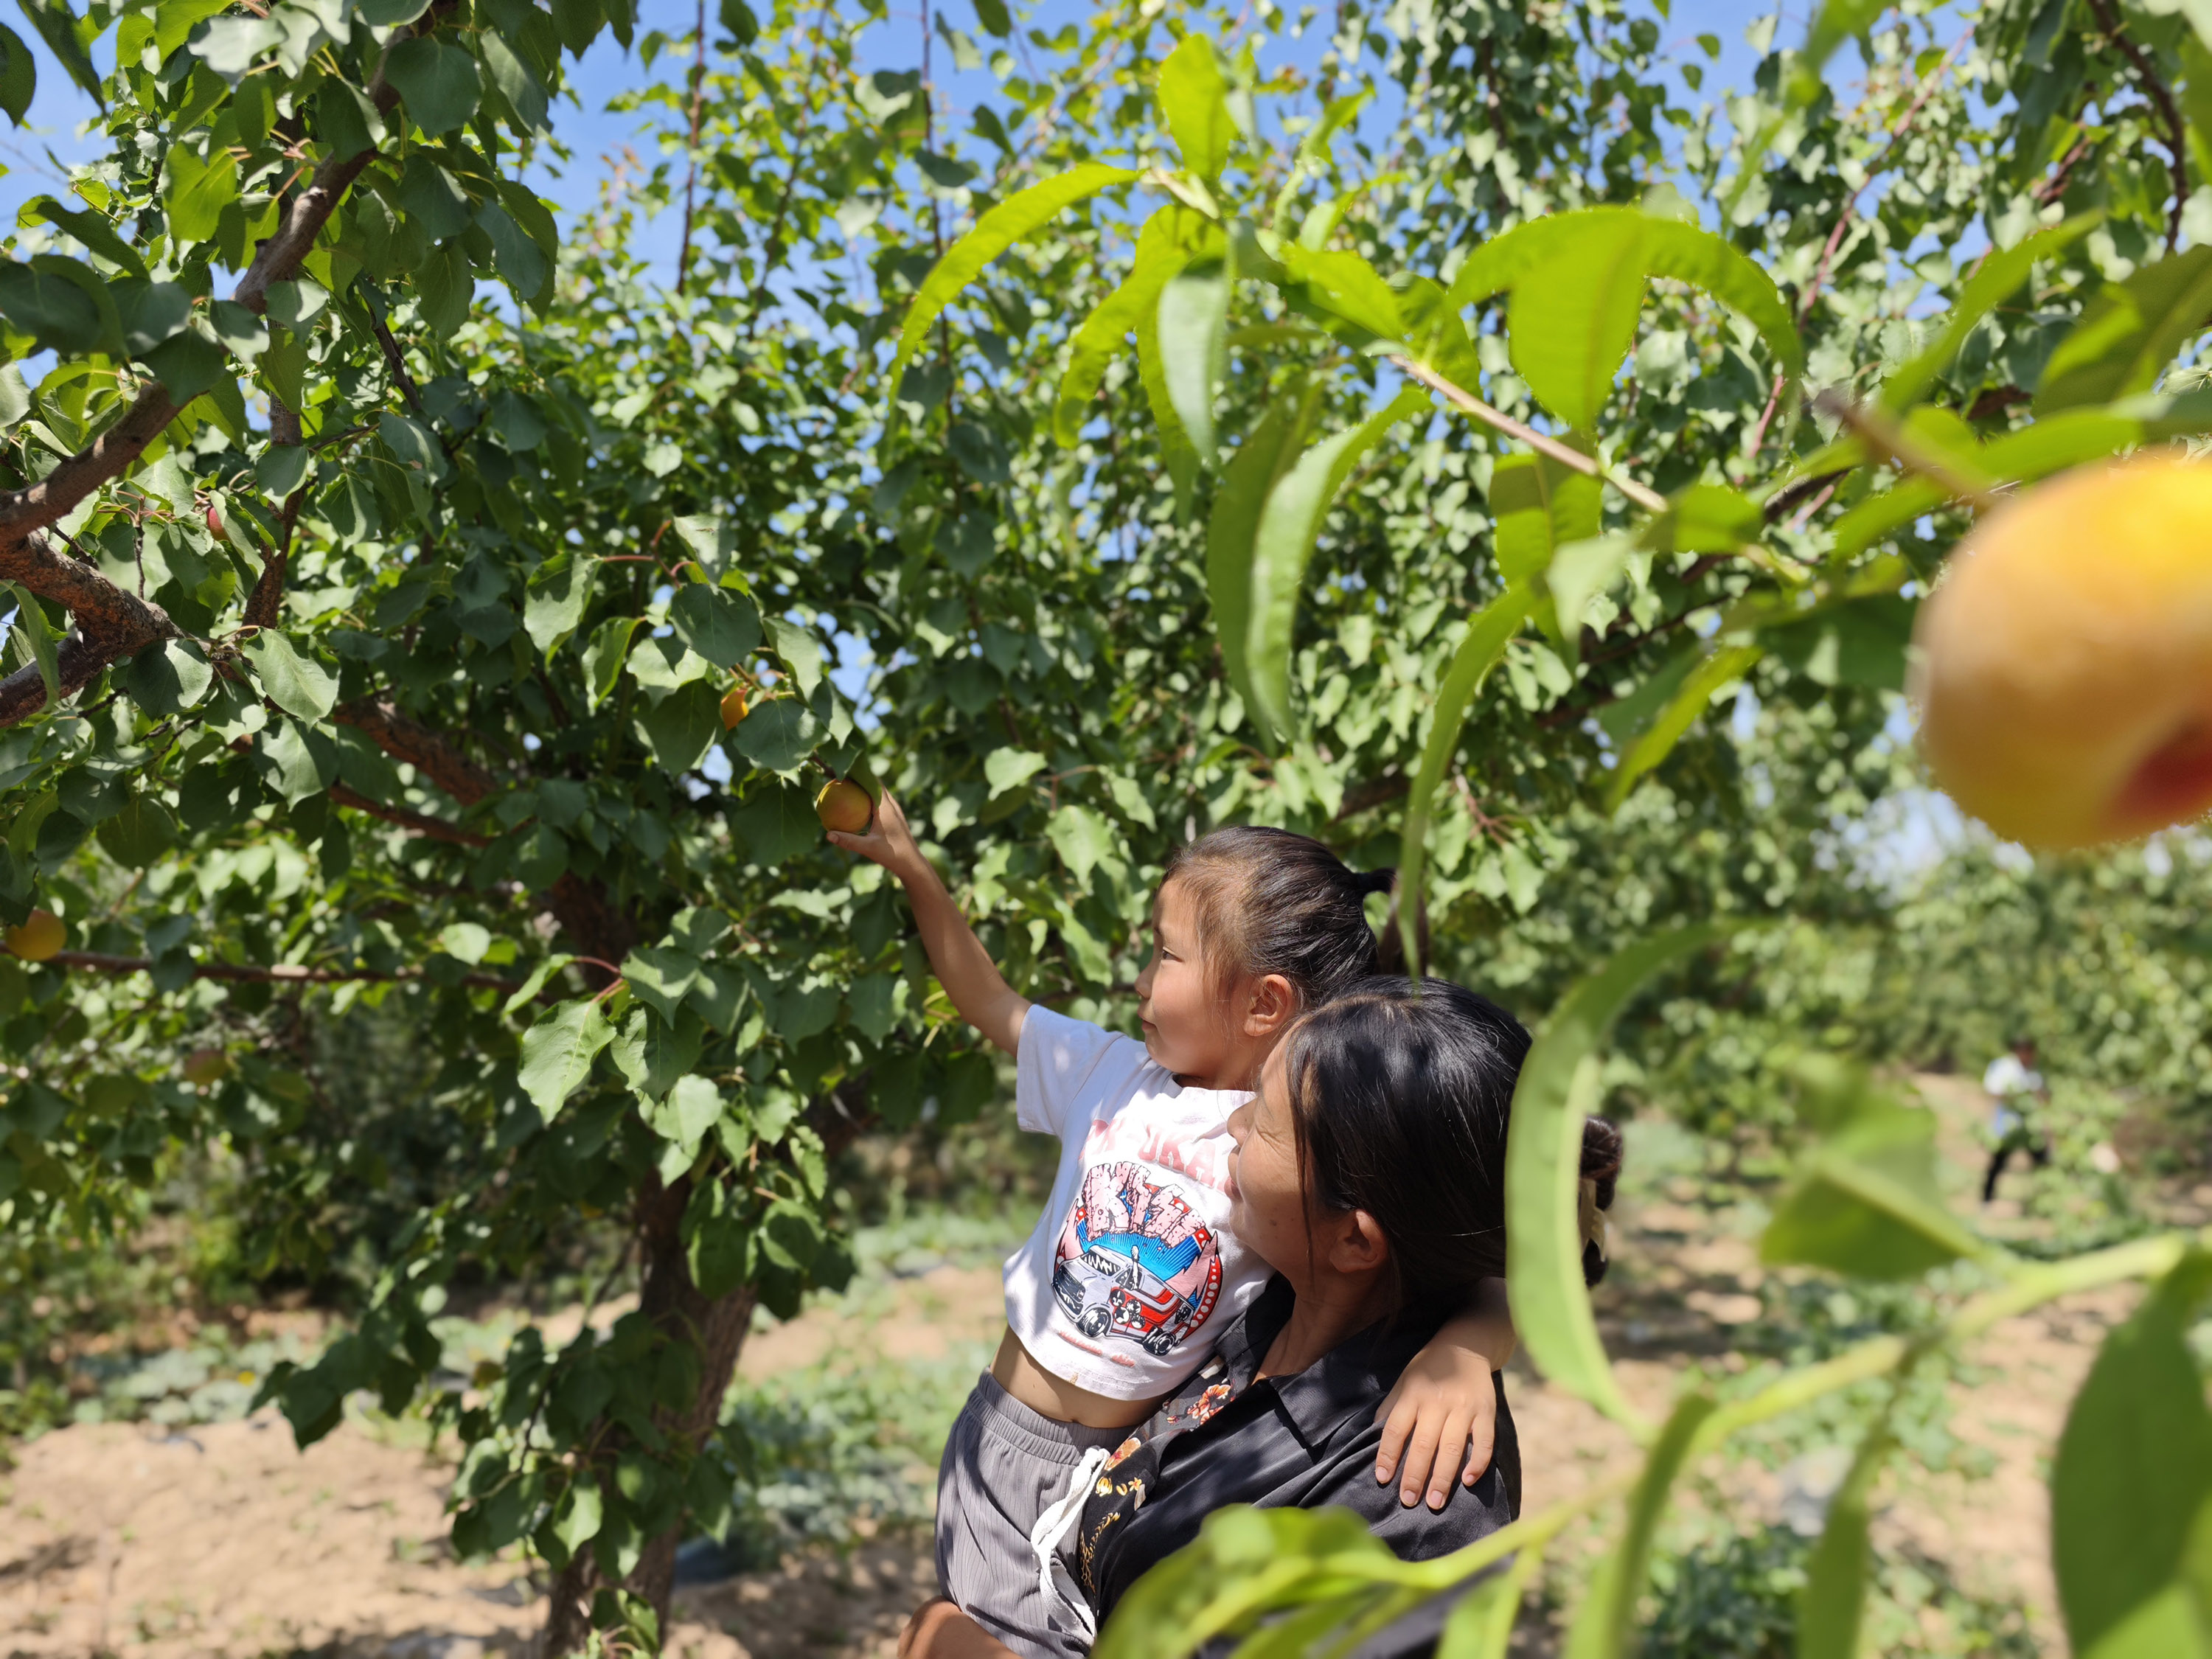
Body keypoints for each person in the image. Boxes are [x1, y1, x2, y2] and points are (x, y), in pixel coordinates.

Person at [828, 802, 1519, 1659]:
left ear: (1266, 1002)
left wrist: (1472, 1338)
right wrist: (915, 872)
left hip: (1093, 1460)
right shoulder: (1121, 1076)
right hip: (1011, 1431)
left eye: (1163, 952)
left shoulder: (1316, 1126)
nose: (1140, 977)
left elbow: (1463, 1199)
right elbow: (992, 1001)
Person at [897, 978, 1623, 1659]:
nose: (1232, 1124)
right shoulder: (1285, 1295)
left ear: (1355, 1240)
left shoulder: (1410, 1504)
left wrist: (944, 1637)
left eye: (1266, 1124)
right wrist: (1479, 1329)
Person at [1981, 1036, 2051, 1204]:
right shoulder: (2004, 1067)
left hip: (2030, 1127)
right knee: (1998, 1163)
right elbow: (1992, 1090)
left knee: (2042, 1162)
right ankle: (1987, 1199)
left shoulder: (2034, 1071)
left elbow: (2043, 1096)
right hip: (2007, 1124)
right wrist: (2015, 1096)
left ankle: (2046, 1199)